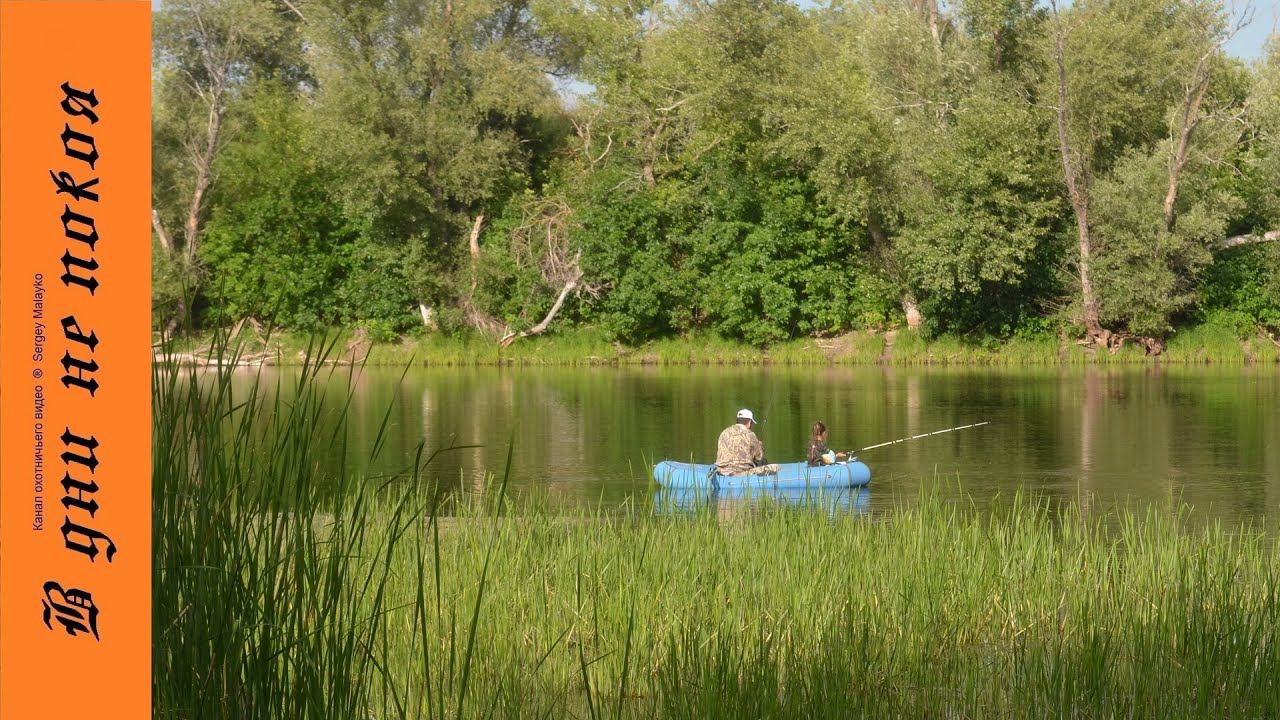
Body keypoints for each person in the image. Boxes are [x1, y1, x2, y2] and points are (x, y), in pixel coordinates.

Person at [714, 409, 780, 476]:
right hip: (741, 472)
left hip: (721, 471)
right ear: (749, 422)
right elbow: (759, 458)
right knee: (776, 467)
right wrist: (760, 446)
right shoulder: (750, 434)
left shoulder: (724, 432)